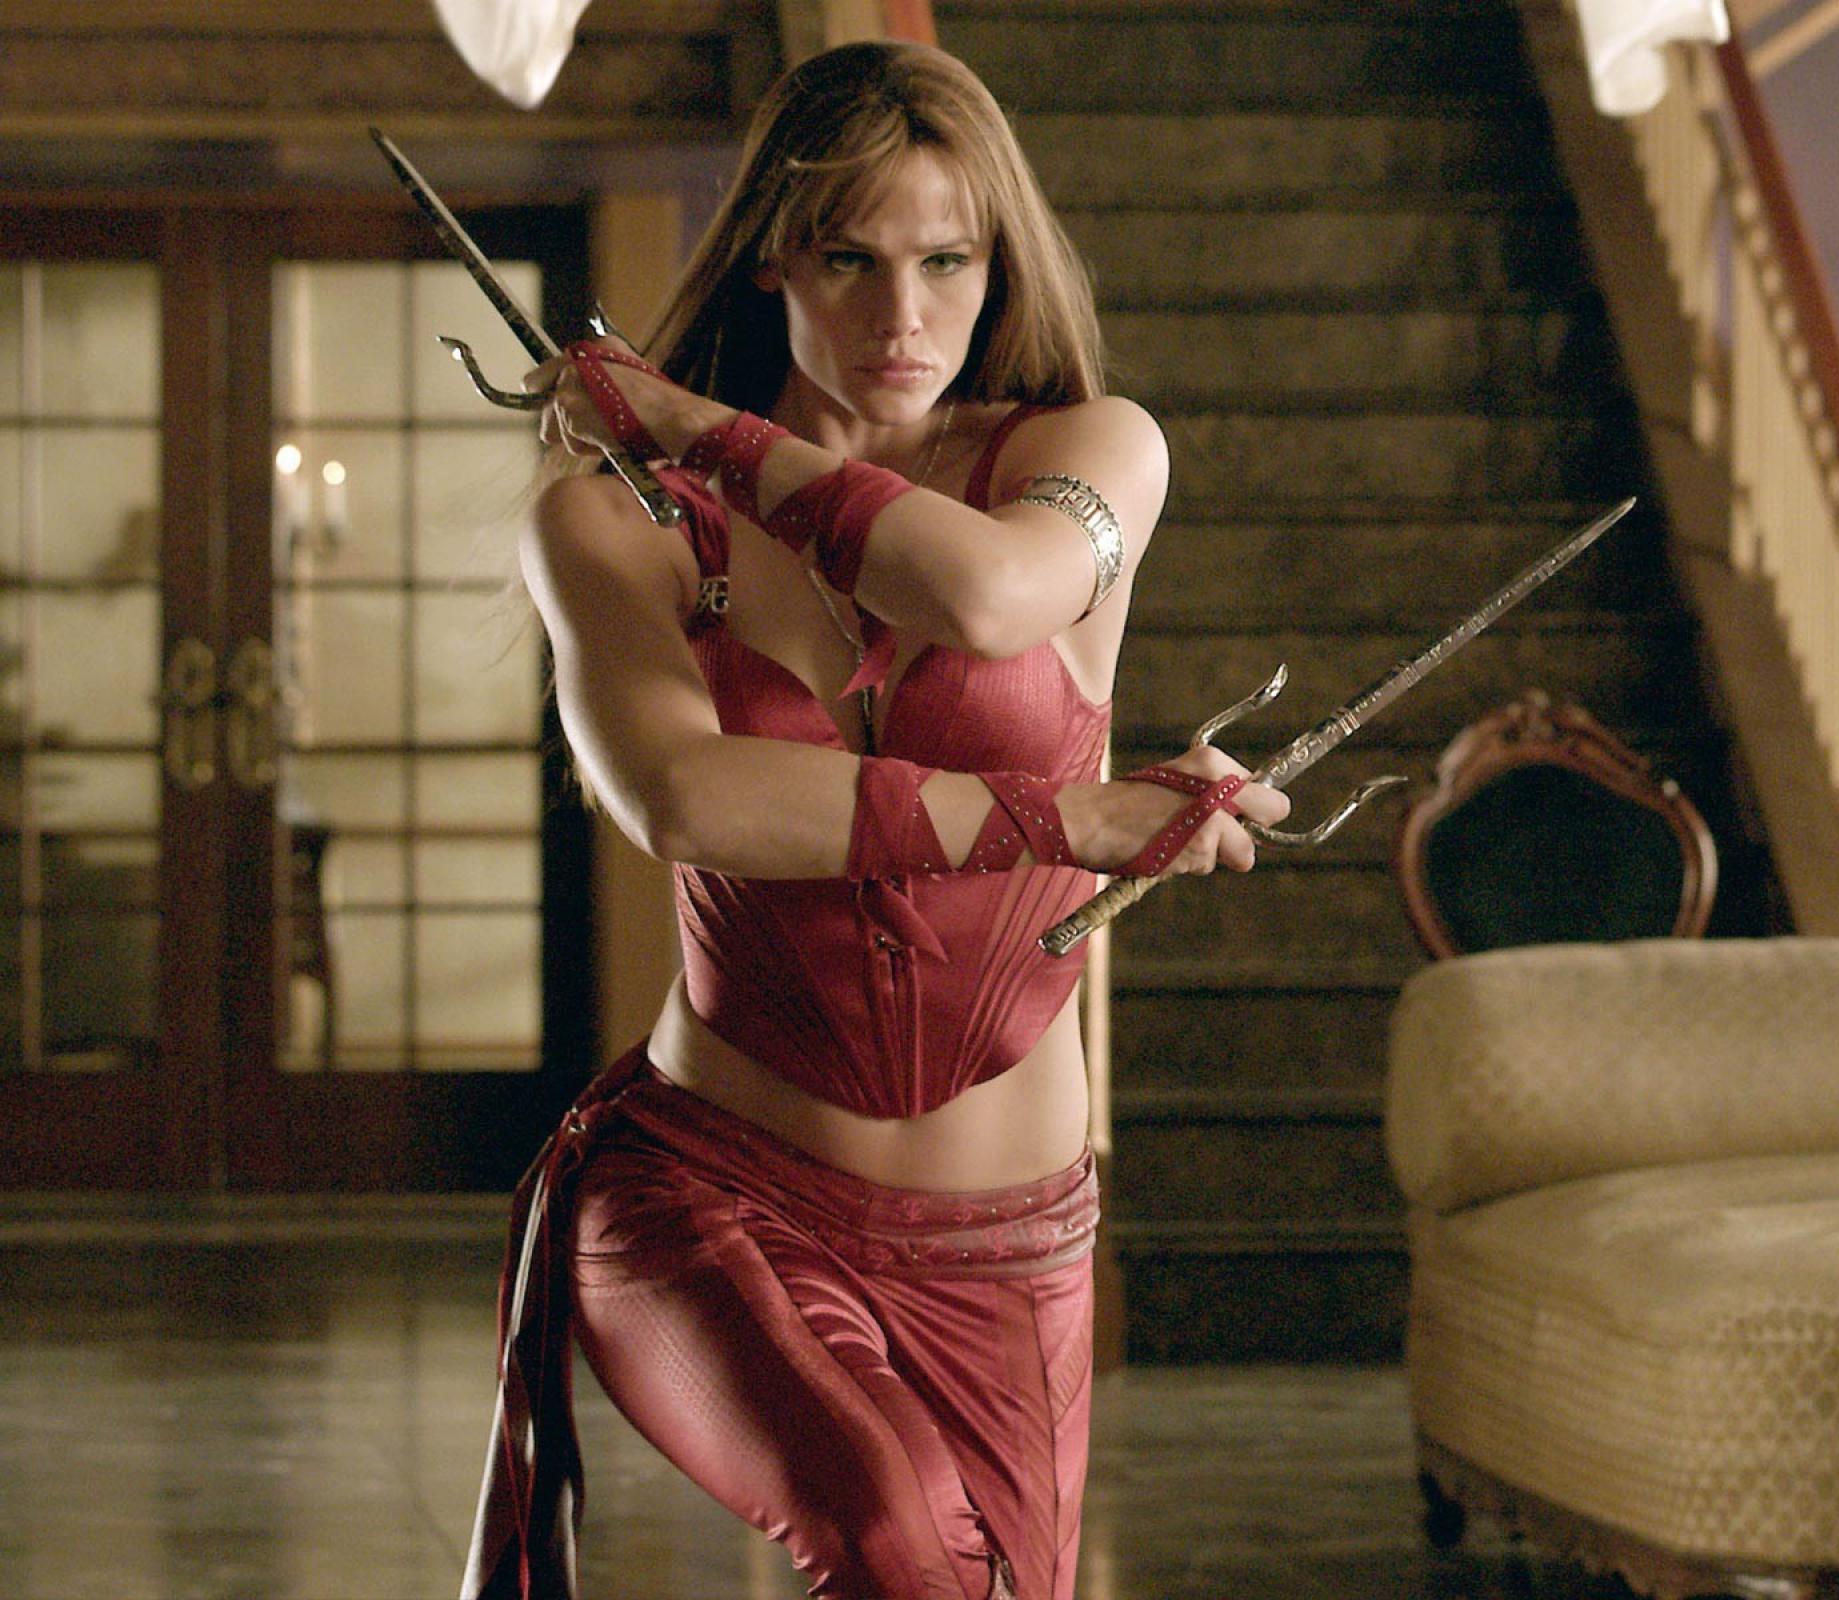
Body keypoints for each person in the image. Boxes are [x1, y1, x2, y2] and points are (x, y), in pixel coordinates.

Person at [460, 39, 1287, 1600]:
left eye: (946, 261)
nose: (902, 315)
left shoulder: (1091, 454)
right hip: (720, 1190)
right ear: (774, 253)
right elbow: (685, 795)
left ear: (999, 263)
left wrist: (703, 427)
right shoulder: (619, 521)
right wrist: (1066, 818)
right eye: (850, 258)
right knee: (891, 1539)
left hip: (1014, 1251)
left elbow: (989, 597)